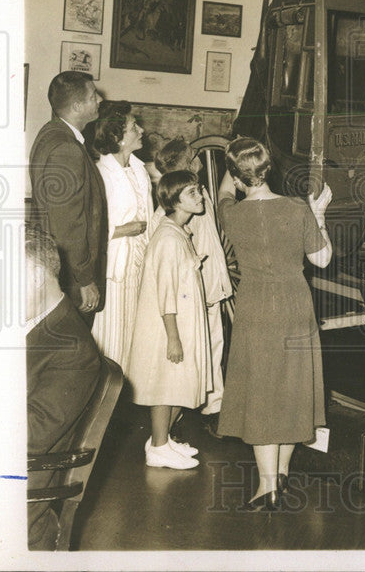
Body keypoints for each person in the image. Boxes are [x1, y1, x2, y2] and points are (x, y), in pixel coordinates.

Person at [215, 137, 332, 511]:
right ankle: (281, 474)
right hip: (295, 303)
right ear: (270, 169)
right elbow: (324, 260)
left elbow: (222, 196)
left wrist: (229, 173)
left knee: (262, 392)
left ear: (236, 176)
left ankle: (268, 485)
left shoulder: (231, 213)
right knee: (290, 388)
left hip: (255, 307)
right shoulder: (298, 209)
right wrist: (320, 215)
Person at [126, 170, 212, 469]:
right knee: (165, 385)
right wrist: (173, 337)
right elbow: (166, 293)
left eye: (198, 189)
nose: (200, 196)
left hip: (182, 324)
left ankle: (161, 440)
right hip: (169, 327)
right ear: (174, 201)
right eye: (192, 193)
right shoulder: (167, 239)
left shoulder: (178, 232)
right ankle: (158, 446)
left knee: (179, 384)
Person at [25, 223, 101, 550]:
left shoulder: (73, 349)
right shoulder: (32, 321)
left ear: (37, 276)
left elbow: (30, 435)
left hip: (16, 496)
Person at [150, 139, 233, 435]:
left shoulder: (199, 195)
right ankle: (203, 408)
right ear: (183, 164)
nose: (199, 161)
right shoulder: (174, 209)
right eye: (193, 157)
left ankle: (211, 403)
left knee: (214, 345)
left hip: (212, 282)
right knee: (201, 351)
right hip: (196, 290)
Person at [29, 71, 107, 322]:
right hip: (71, 279)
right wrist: (85, 280)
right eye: (93, 96)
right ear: (77, 106)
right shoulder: (67, 149)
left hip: (57, 269)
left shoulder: (50, 133)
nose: (100, 101)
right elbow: (68, 224)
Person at [87, 101, 152, 369]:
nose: (141, 131)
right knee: (111, 339)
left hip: (137, 267)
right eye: (134, 126)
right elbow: (87, 226)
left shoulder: (138, 169)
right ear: (117, 137)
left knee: (132, 341)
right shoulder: (101, 173)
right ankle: (104, 406)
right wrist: (122, 230)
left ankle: (121, 405)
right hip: (114, 271)